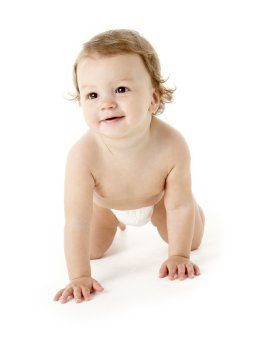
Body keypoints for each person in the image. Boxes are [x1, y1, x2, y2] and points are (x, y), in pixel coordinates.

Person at [53, 29, 205, 304]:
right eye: (92, 95)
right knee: (92, 251)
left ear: (153, 98)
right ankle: (114, 221)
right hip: (106, 206)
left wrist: (179, 255)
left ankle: (195, 211)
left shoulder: (172, 144)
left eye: (121, 89)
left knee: (191, 239)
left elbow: (178, 207)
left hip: (159, 199)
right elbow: (76, 221)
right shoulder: (82, 156)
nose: (106, 103)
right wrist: (79, 276)